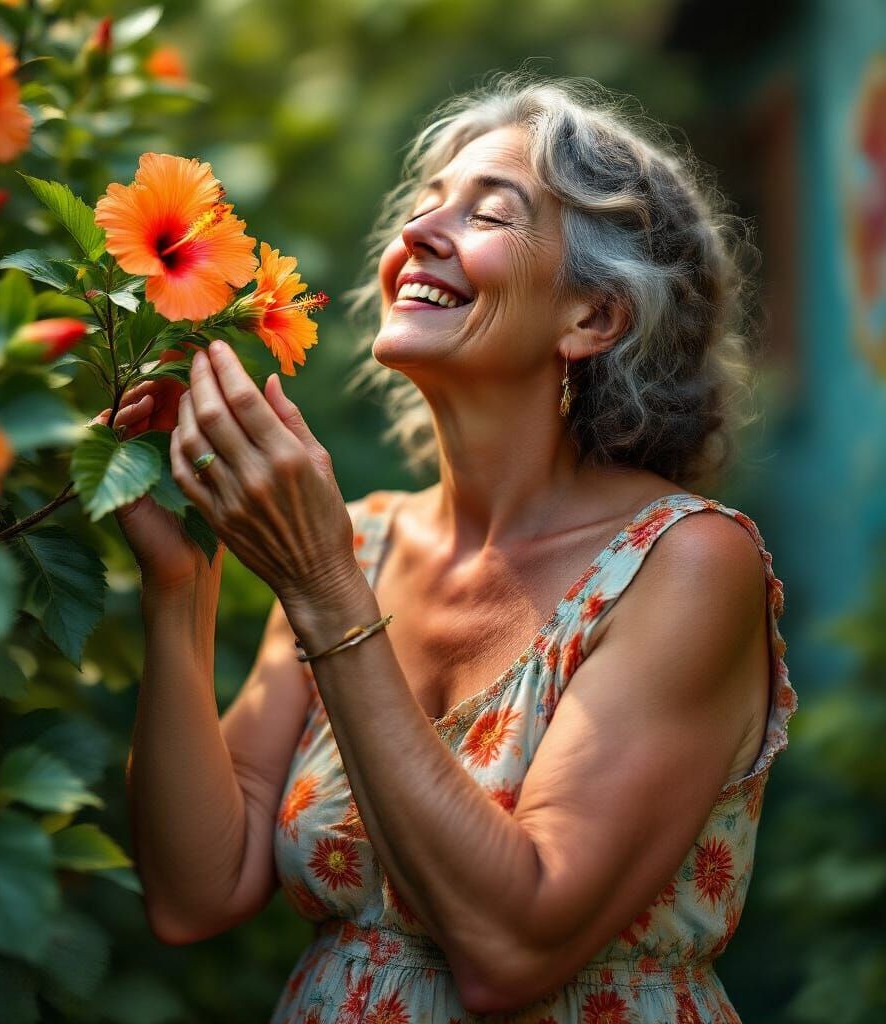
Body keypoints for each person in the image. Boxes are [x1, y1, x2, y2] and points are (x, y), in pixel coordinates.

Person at [103, 72, 799, 1022]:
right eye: (425, 204)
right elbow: (196, 892)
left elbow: (510, 951)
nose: (418, 233)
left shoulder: (685, 566)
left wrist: (322, 588)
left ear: (591, 319)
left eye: (489, 213)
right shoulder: (363, 541)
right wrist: (178, 586)